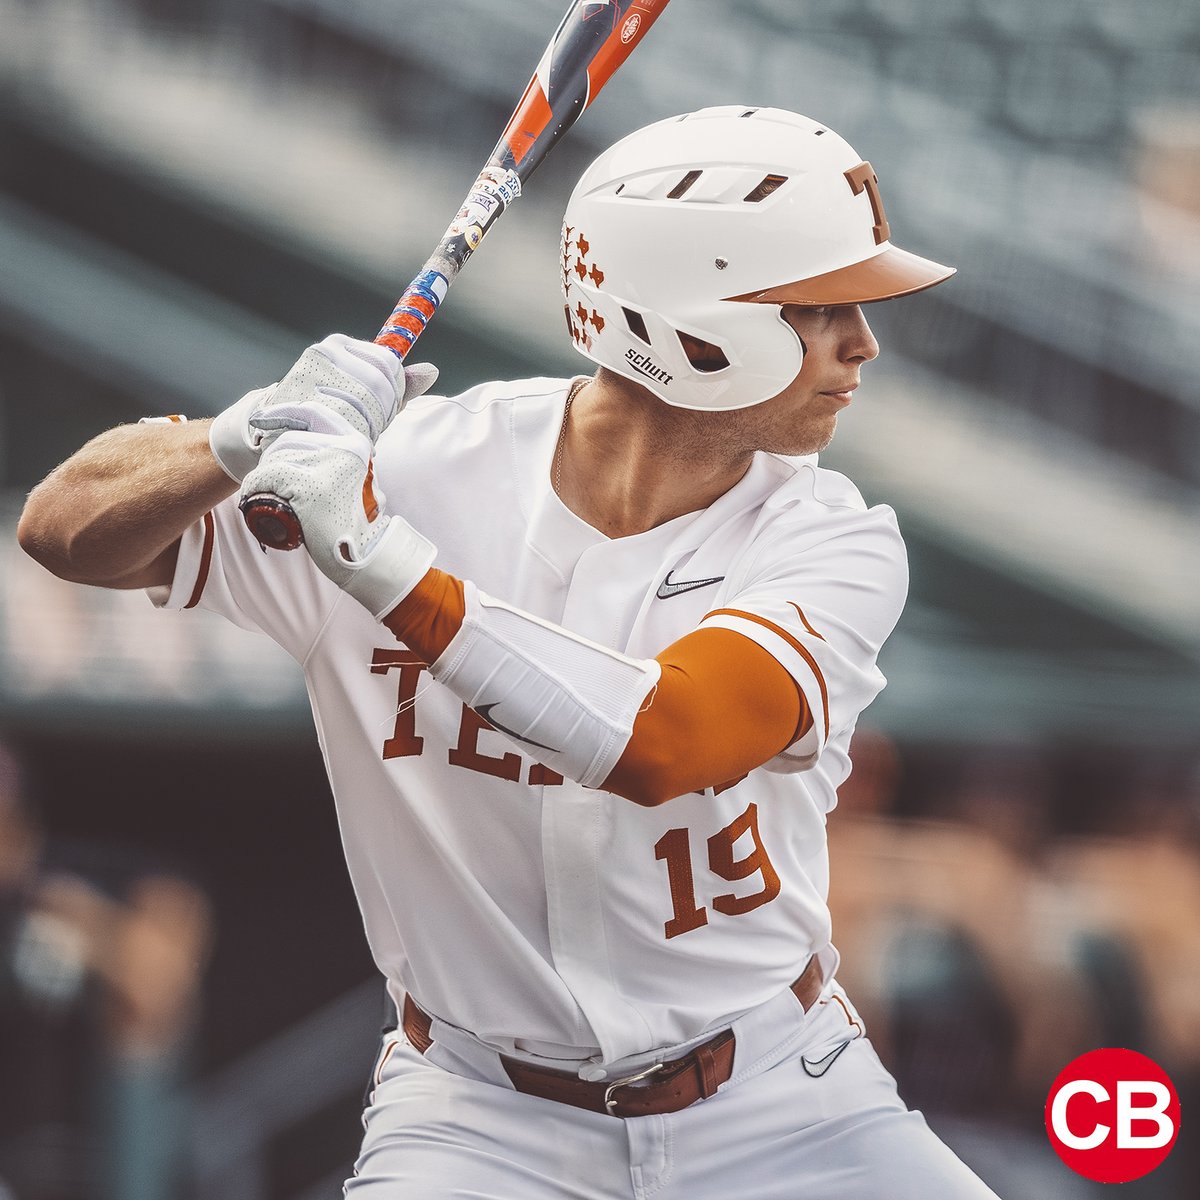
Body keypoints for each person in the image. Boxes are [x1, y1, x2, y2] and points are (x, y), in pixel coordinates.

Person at [18, 107, 1000, 1198]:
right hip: (477, 1124)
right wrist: (238, 434)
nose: (865, 345)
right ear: (696, 319)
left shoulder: (834, 537)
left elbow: (661, 740)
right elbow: (66, 530)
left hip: (781, 1099)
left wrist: (383, 563)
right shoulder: (412, 467)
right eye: (823, 309)